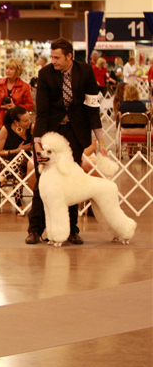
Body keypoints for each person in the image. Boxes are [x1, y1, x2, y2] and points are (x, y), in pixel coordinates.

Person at [26, 37, 108, 245]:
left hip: (76, 132)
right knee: (42, 181)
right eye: (51, 56)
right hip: (50, 134)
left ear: (69, 56)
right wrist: (37, 142)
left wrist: (101, 140)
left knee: (71, 182)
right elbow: (42, 111)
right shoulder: (45, 74)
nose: (52, 60)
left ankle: (71, 230)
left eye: (56, 57)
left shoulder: (86, 71)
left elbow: (92, 107)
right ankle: (35, 229)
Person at [0, 106, 36, 216]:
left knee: (23, 157)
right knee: (18, 168)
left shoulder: (31, 128)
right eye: (26, 120)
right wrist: (17, 150)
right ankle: (18, 205)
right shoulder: (6, 129)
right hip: (4, 162)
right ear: (16, 122)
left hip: (23, 162)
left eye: (29, 118)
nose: (29, 122)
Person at [0, 58, 33, 137]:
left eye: (11, 69)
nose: (8, 71)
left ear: (17, 71)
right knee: (0, 145)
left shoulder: (25, 87)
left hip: (18, 122)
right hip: (0, 121)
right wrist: (2, 106)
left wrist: (16, 107)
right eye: (7, 68)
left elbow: (29, 105)